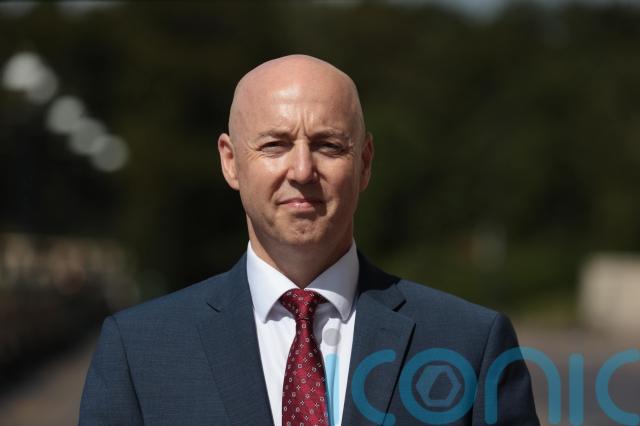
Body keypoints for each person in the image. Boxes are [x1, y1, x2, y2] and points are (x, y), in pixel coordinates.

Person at [79, 55, 539, 425]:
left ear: (364, 163)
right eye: (275, 145)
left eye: (328, 145)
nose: (301, 171)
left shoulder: (469, 345)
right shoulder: (139, 352)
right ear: (230, 161)